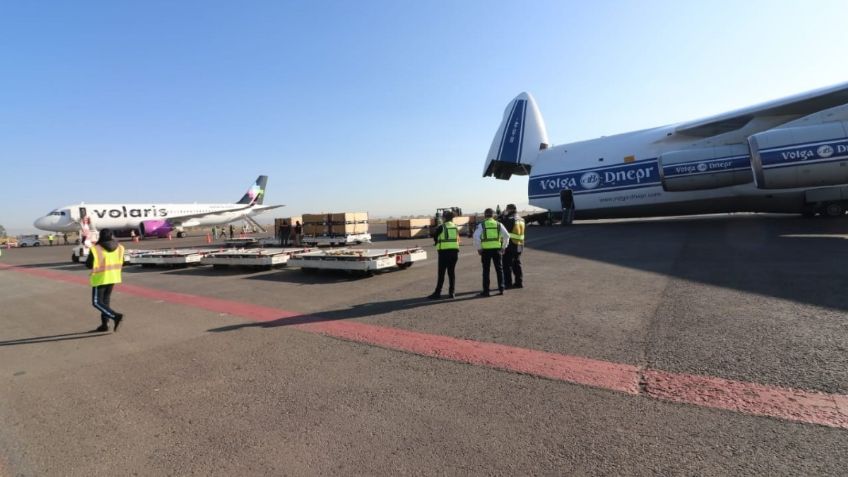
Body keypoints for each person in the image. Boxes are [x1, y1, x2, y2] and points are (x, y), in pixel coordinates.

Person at [84, 228, 124, 332]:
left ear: (100, 236)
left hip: (100, 278)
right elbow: (122, 261)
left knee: (96, 302)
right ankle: (104, 325)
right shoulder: (119, 247)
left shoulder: (96, 249)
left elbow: (88, 264)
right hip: (113, 277)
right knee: (105, 302)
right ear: (112, 236)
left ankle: (115, 316)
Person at [473, 208, 510, 297]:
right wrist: (503, 247)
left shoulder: (482, 225)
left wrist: (479, 248)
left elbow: (476, 237)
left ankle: (486, 291)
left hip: (485, 251)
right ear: (493, 215)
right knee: (499, 269)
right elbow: (507, 236)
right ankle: (501, 289)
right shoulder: (498, 224)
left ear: (485, 215)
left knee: (486, 270)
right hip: (497, 249)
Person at [427, 210, 460, 299]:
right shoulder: (455, 227)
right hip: (454, 252)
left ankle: (438, 293)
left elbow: (435, 237)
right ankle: (452, 292)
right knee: (451, 273)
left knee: (441, 273)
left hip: (444, 252)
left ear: (444, 218)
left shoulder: (442, 227)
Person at [500, 204, 525, 289]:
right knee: (517, 264)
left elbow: (503, 228)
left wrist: (503, 216)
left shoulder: (510, 219)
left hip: (510, 245)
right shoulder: (521, 219)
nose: (506, 210)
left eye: (506, 209)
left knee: (507, 265)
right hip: (519, 244)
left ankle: (508, 283)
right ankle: (519, 282)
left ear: (510, 210)